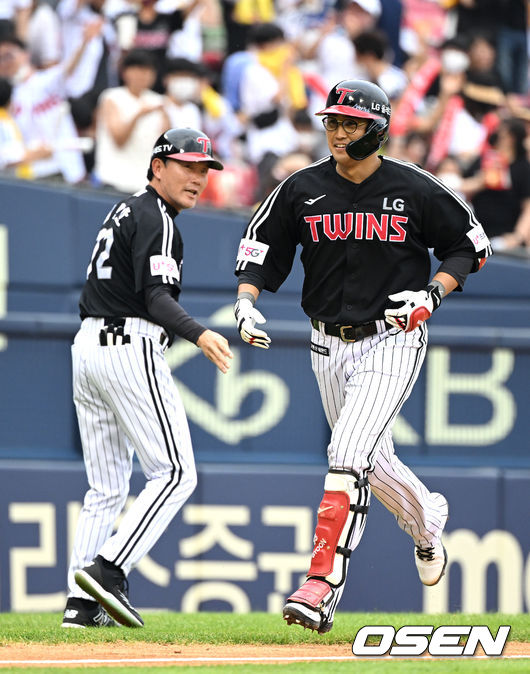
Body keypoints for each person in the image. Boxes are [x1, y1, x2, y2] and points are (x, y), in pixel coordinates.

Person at [233, 80, 492, 633]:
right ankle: (426, 518)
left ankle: (320, 586)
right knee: (368, 465)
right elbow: (260, 254)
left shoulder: (414, 187)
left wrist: (434, 294)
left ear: (377, 128)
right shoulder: (301, 188)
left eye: (350, 123)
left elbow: (470, 244)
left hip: (393, 335)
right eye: (332, 121)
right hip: (325, 340)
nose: (338, 132)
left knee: (347, 452)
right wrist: (246, 304)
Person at [61, 127, 233, 628]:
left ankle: (81, 604)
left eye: (204, 169)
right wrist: (200, 334)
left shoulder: (125, 209)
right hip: (128, 347)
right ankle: (109, 570)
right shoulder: (156, 216)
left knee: (107, 489)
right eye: (187, 166)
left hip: (88, 347)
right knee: (176, 473)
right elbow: (158, 299)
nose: (197, 178)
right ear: (157, 166)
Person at [92, 49, 169, 193]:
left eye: (148, 70)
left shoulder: (159, 102)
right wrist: (139, 115)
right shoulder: (112, 97)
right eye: (138, 69)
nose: (143, 75)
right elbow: (119, 139)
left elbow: (166, 147)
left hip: (146, 186)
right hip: (114, 181)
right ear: (125, 72)